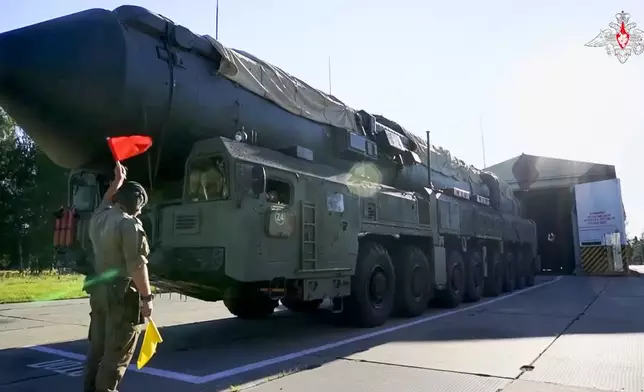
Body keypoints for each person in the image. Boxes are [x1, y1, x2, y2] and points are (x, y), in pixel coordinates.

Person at [82, 161, 154, 392]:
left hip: (98, 292)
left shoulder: (99, 218)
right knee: (115, 356)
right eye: (141, 207)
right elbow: (136, 266)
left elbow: (106, 201)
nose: (141, 212)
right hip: (120, 297)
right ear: (136, 205)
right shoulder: (130, 225)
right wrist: (147, 298)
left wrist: (116, 182)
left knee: (97, 350)